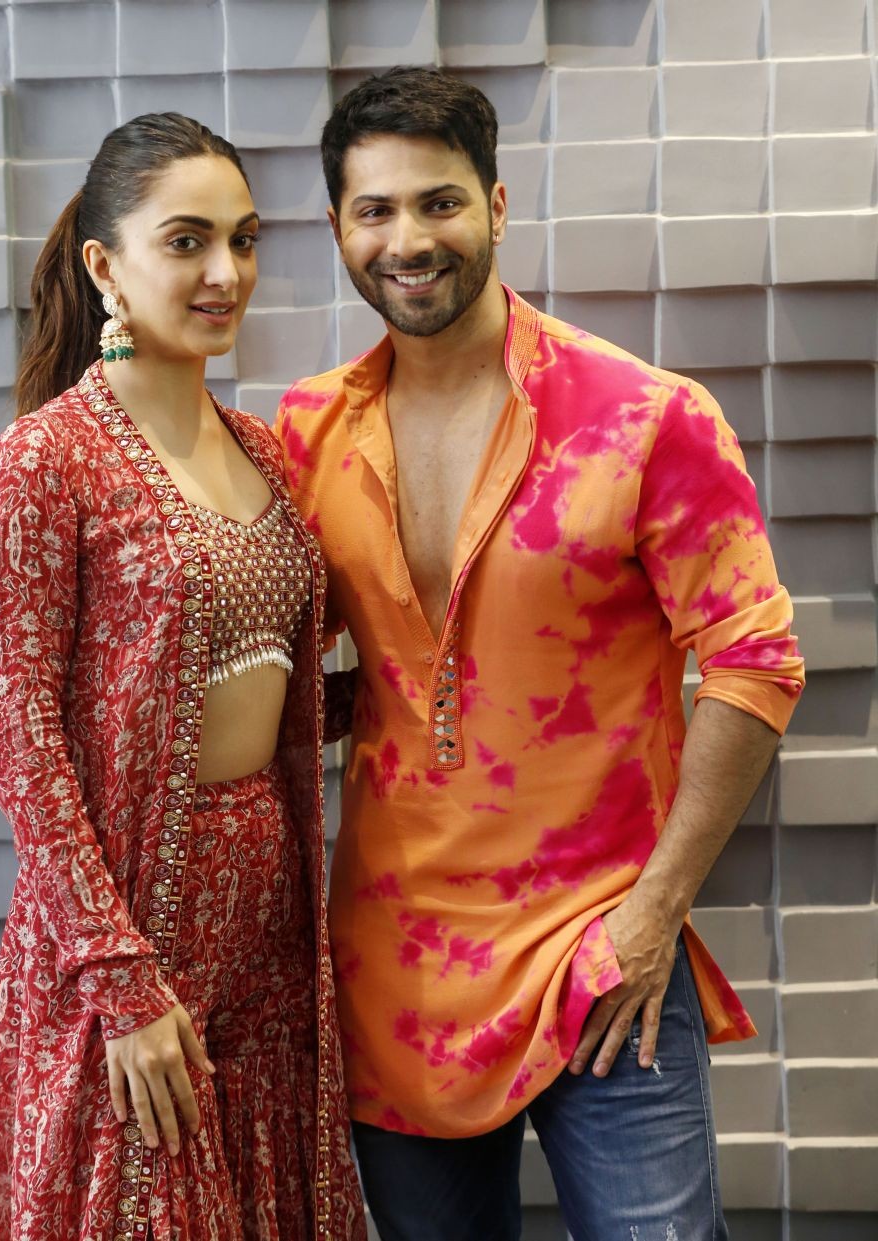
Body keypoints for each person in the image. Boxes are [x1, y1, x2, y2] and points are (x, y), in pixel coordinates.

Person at [275, 68, 805, 1241]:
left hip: (604, 954)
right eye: (376, 211)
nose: (409, 239)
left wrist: (655, 907)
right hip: (395, 964)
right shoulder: (302, 432)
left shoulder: (644, 414)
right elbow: (297, 668)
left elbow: (755, 660)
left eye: (439, 203)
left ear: (499, 207)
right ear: (337, 230)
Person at [0, 112, 365, 1241]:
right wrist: (118, 980)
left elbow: (254, 682)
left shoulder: (263, 450)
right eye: (186, 240)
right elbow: (24, 740)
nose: (225, 272)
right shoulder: (43, 463)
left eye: (242, 239)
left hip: (270, 931)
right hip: (131, 936)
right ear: (104, 264)